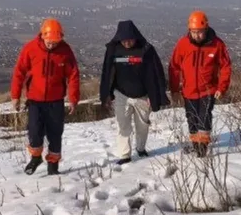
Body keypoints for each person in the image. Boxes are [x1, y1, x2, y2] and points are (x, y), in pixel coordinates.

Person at [10, 18, 80, 176]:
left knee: (55, 134)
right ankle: (35, 158)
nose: (52, 44)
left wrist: (73, 98)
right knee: (34, 132)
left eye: (55, 42)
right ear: (42, 36)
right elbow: (19, 72)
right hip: (35, 101)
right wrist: (15, 96)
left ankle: (53, 166)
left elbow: (74, 75)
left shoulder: (65, 51)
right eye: (49, 41)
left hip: (56, 101)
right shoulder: (30, 48)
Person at [99, 20, 169, 164]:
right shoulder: (113, 50)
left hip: (142, 95)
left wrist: (156, 95)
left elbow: (157, 73)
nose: (127, 43)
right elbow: (106, 72)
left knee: (142, 125)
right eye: (124, 40)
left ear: (135, 37)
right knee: (122, 125)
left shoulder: (146, 50)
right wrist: (105, 94)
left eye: (130, 40)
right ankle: (125, 155)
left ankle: (141, 148)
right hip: (121, 94)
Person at [168, 10, 232, 157]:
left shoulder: (217, 44)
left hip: (208, 90)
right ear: (189, 30)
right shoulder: (183, 44)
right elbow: (174, 67)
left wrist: (222, 87)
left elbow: (225, 66)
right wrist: (174, 89)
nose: (197, 35)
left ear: (206, 29)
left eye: (200, 32)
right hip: (189, 91)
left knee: (204, 118)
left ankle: (202, 149)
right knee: (192, 119)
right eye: (194, 32)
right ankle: (195, 144)